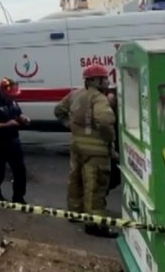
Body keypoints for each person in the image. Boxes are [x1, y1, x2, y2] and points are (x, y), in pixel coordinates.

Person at [54, 64, 118, 238]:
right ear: (95, 80)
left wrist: (72, 127)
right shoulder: (99, 98)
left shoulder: (75, 94)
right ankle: (95, 225)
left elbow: (58, 111)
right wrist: (110, 140)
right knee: (95, 186)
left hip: (77, 147)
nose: (107, 81)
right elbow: (104, 122)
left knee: (76, 180)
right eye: (104, 78)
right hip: (96, 151)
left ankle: (75, 213)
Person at [0, 77, 29, 203]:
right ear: (3, 92)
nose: (13, 97)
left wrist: (23, 118)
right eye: (11, 95)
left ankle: (18, 197)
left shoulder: (13, 102)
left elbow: (18, 114)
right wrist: (6, 124)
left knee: (20, 170)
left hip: (13, 141)